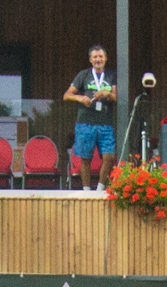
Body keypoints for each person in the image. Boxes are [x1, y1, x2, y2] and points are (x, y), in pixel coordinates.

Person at [64, 44, 118, 190]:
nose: (98, 59)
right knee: (85, 158)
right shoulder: (84, 75)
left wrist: (106, 93)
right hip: (85, 122)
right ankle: (86, 191)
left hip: (105, 123)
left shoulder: (112, 75)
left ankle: (100, 189)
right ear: (90, 60)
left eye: (101, 56)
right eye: (95, 57)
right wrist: (81, 98)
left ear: (105, 58)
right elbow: (67, 95)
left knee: (109, 157)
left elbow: (116, 97)